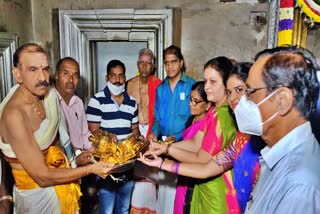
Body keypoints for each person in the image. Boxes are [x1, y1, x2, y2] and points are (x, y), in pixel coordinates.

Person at [0, 43, 114, 214]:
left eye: (45, 69)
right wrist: (91, 169)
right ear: (17, 74)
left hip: (63, 182)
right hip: (36, 197)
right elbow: (42, 177)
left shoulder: (48, 96)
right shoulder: (14, 115)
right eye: (33, 69)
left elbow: (59, 144)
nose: (42, 77)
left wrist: (79, 159)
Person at [140, 62, 265, 213]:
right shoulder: (224, 123)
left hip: (223, 195)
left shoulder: (225, 116)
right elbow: (205, 161)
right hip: (213, 190)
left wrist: (166, 152)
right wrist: (163, 153)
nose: (206, 87)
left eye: (240, 90)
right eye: (231, 92)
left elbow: (202, 158)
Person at [86, 59, 140, 214]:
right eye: (113, 76)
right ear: (107, 78)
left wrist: (140, 139)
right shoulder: (97, 101)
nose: (117, 80)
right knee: (107, 210)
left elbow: (134, 129)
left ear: (125, 78)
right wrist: (107, 136)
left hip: (127, 164)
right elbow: (93, 130)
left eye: (121, 76)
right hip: (106, 165)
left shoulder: (132, 103)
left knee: (123, 209)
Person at [148, 45, 196, 214]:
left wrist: (176, 138)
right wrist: (154, 132)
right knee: (164, 190)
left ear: (181, 63)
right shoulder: (160, 89)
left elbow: (195, 123)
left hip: (185, 146)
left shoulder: (192, 86)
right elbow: (158, 119)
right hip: (163, 146)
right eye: (166, 63)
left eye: (173, 62)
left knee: (181, 192)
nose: (170, 66)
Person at [54, 57, 98, 213]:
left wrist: (98, 149)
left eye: (75, 75)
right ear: (56, 75)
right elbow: (53, 144)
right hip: (59, 170)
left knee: (80, 207)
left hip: (80, 167)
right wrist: (74, 157)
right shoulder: (48, 102)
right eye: (66, 73)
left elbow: (84, 133)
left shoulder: (78, 102)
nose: (71, 79)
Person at [126, 48, 161, 214]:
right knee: (136, 173)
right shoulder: (129, 84)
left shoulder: (159, 84)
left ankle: (150, 209)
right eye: (142, 62)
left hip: (153, 132)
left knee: (152, 173)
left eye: (148, 63)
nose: (144, 66)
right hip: (134, 132)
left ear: (152, 66)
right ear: (137, 64)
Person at [174, 81, 212, 214]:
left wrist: (167, 149)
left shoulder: (207, 125)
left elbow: (197, 150)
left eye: (196, 101)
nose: (191, 104)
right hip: (183, 172)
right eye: (190, 99)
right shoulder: (192, 120)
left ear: (207, 105)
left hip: (194, 173)